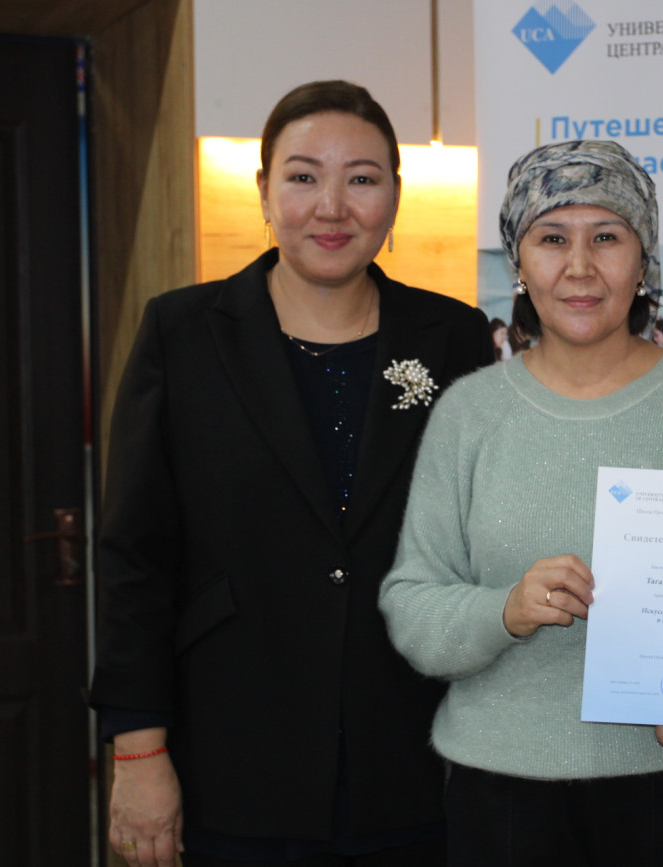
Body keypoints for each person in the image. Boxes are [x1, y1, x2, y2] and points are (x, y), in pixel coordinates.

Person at [89, 80, 494, 867]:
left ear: (395, 196)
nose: (332, 207)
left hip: (411, 761)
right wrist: (138, 749)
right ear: (264, 192)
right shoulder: (182, 332)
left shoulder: (452, 335)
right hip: (233, 757)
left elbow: (482, 539)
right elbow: (135, 555)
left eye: (362, 178)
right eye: (304, 176)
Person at [379, 139, 663, 866]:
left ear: (643, 261)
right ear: (518, 261)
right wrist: (504, 609)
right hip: (504, 799)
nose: (579, 266)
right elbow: (413, 604)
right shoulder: (470, 412)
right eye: (551, 238)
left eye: (606, 237)